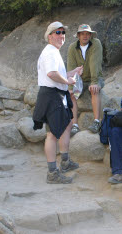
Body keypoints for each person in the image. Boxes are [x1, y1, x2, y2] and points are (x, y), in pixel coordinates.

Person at [33, 22, 83, 184]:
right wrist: (68, 80)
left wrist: (72, 73)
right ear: (49, 36)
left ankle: (65, 161)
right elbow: (52, 74)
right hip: (51, 95)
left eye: (63, 33)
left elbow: (57, 74)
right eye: (57, 33)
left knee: (66, 125)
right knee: (53, 134)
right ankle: (52, 172)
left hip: (55, 94)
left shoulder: (53, 52)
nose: (61, 36)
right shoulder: (50, 53)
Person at [67, 24, 103, 136]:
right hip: (79, 78)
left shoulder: (96, 43)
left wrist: (94, 82)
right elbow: (71, 67)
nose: (85, 36)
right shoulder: (72, 47)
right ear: (78, 35)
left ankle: (97, 121)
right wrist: (70, 87)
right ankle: (75, 125)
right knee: (72, 95)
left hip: (95, 76)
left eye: (87, 33)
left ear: (91, 35)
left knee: (94, 90)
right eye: (82, 33)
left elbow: (94, 63)